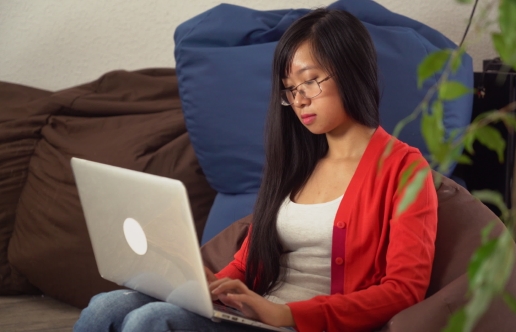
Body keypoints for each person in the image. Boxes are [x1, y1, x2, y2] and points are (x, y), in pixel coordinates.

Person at [74, 7, 437, 332]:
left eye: (310, 80)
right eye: (289, 89)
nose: (299, 100)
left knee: (150, 321)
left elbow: (403, 291)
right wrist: (207, 286)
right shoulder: (297, 161)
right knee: (107, 304)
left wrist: (286, 315)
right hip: (255, 312)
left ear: (351, 71)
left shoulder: (404, 169)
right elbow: (248, 264)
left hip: (295, 324)